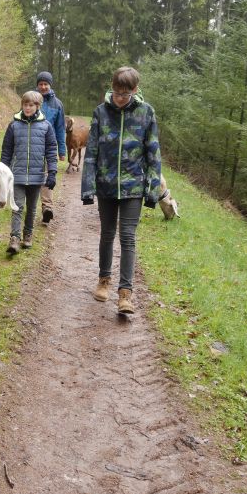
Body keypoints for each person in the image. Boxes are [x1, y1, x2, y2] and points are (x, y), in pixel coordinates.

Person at [81, 66, 161, 315]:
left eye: (125, 94)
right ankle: (104, 280)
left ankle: (125, 294)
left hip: (133, 187)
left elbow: (153, 153)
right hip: (106, 186)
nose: (119, 97)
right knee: (107, 234)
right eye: (116, 92)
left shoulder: (146, 113)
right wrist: (88, 187)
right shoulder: (100, 113)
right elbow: (91, 152)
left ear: (135, 90)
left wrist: (153, 189)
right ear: (112, 87)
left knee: (127, 237)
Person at [0, 91, 57, 255]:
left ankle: (28, 234)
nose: (27, 108)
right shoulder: (14, 125)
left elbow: (51, 151)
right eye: (25, 104)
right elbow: (7, 151)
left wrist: (52, 172)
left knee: (31, 208)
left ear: (38, 106)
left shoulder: (46, 126)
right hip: (17, 175)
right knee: (17, 207)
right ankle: (14, 238)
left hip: (37, 176)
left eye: (31, 105)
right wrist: (3, 171)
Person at [35, 71, 67, 224]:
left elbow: (60, 128)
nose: (43, 87)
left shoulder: (57, 104)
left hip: (50, 146)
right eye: (40, 84)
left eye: (45, 84)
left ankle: (47, 208)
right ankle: (29, 206)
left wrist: (62, 150)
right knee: (33, 176)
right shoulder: (31, 100)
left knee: (48, 176)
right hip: (32, 145)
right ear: (37, 85)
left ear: (50, 85)